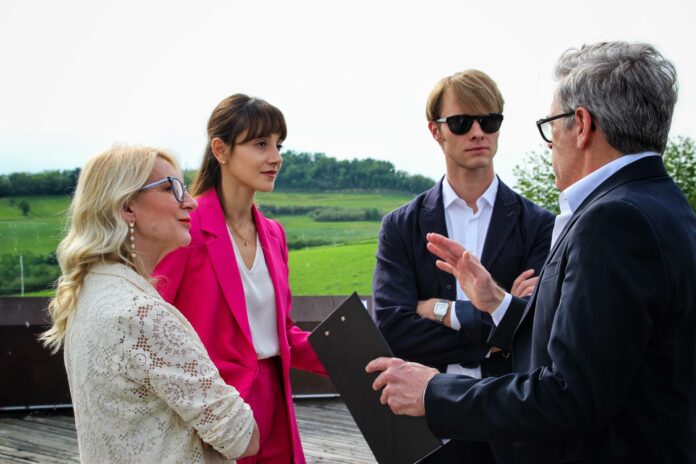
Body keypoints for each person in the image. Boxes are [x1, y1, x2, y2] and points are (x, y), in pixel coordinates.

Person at [367, 41, 696, 463]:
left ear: (581, 124)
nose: (549, 141)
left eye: (551, 123)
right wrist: (500, 303)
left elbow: (569, 395)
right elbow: (597, 347)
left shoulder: (611, 222)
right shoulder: (664, 203)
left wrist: (433, 391)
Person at [372, 69, 554, 462]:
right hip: (425, 424)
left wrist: (440, 310)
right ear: (435, 131)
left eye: (489, 121)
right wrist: (496, 323)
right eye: (461, 123)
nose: (477, 132)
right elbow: (392, 327)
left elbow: (538, 324)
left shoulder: (539, 224)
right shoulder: (401, 227)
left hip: (509, 421)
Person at [40, 146, 259, 463]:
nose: (191, 201)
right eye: (171, 188)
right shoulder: (142, 314)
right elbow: (242, 437)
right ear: (127, 207)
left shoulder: (89, 292)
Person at [155, 94, 326, 464]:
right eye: (260, 144)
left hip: (276, 406)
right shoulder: (187, 225)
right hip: (214, 410)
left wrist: (349, 354)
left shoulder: (275, 234)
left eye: (279, 145)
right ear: (221, 149)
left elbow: (281, 332)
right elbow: (154, 322)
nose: (275, 157)